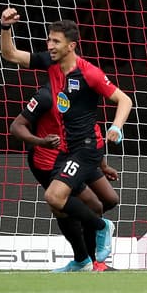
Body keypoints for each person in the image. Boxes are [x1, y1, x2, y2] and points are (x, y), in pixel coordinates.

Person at [0, 9, 132, 272]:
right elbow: (11, 54)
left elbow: (124, 100)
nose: (50, 45)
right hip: (67, 148)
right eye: (49, 40)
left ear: (71, 46)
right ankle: (84, 260)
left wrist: (116, 127)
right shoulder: (50, 62)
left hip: (87, 148)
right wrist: (5, 28)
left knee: (57, 196)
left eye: (55, 41)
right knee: (58, 203)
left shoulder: (89, 73)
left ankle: (102, 228)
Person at [10, 85, 122, 271]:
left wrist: (102, 165)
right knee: (86, 206)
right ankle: (89, 260)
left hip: (78, 154)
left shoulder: (81, 96)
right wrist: (41, 141)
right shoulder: (46, 96)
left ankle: (87, 256)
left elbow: (90, 132)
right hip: (49, 161)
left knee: (109, 199)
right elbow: (16, 126)